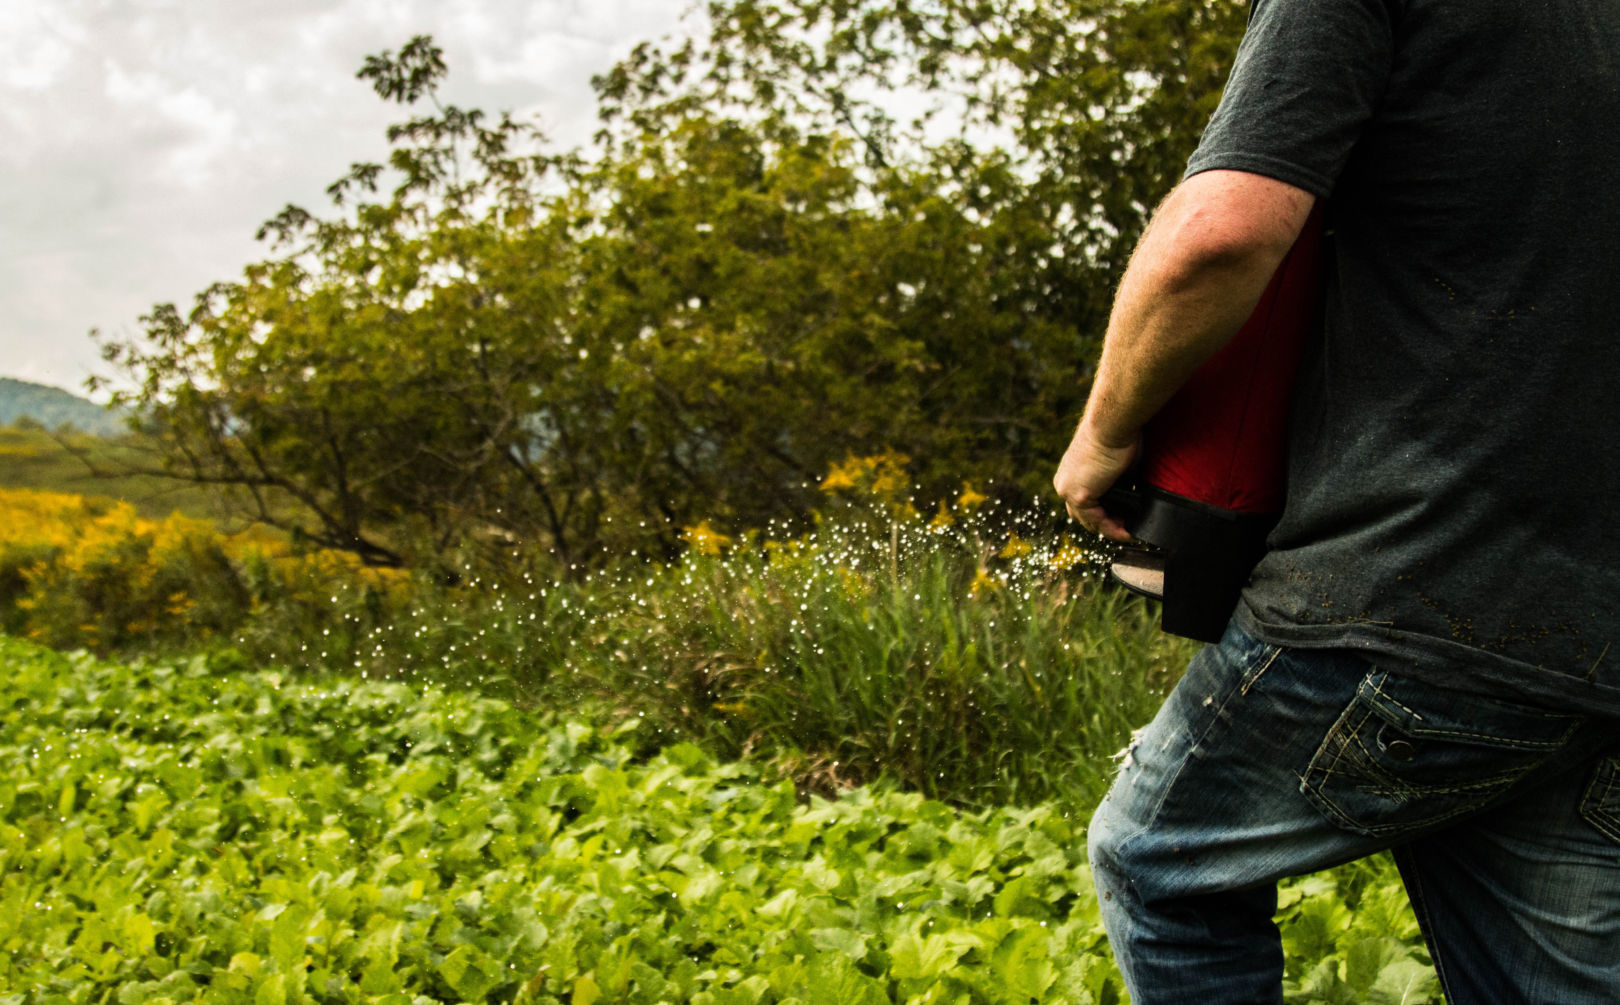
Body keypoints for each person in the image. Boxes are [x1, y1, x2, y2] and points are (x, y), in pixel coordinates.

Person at [1052, 1, 1620, 1001]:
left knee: (1158, 867)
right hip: (1593, 635)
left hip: (1411, 584)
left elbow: (1219, 237)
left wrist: (1104, 433)